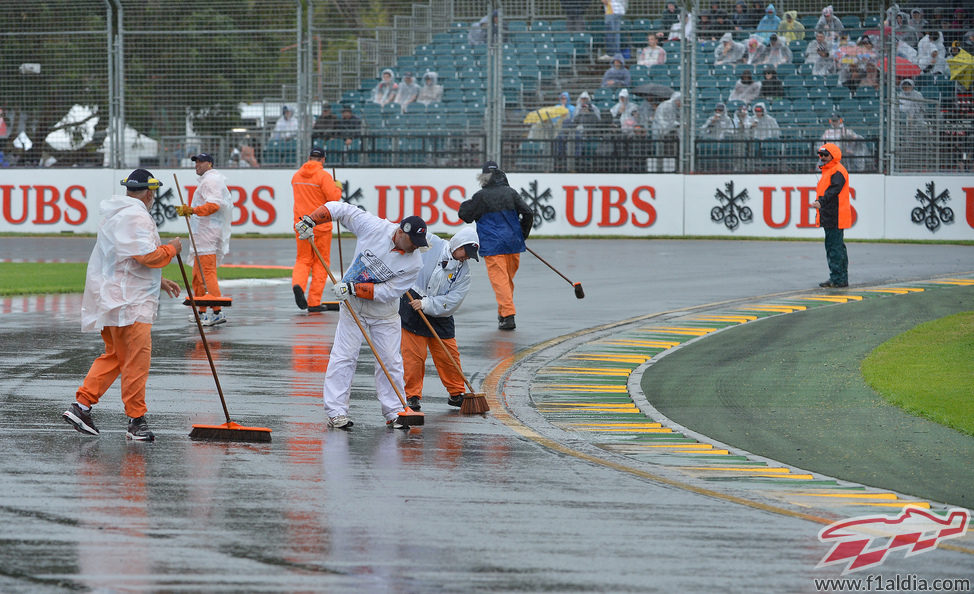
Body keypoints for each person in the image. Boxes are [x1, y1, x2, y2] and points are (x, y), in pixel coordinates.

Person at [63, 169, 182, 442]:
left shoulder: (116, 214)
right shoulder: (137, 216)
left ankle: (81, 406)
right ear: (150, 193)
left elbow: (125, 259)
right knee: (136, 362)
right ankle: (136, 421)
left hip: (115, 300)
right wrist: (173, 248)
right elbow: (145, 256)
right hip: (132, 304)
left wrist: (159, 280)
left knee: (115, 357)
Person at [293, 204, 428, 429]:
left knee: (390, 362)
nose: (415, 246)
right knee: (343, 358)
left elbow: (390, 292)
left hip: (384, 314)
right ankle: (336, 412)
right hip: (352, 307)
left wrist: (354, 289)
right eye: (412, 240)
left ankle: (395, 411)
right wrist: (311, 220)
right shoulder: (375, 228)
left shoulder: (415, 262)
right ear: (401, 232)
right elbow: (340, 209)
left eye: (419, 243)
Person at [399, 226, 480, 411]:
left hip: (440, 312)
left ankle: (456, 393)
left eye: (469, 255)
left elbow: (454, 300)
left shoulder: (464, 272)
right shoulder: (431, 242)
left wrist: (426, 304)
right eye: (465, 252)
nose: (466, 257)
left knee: (449, 356)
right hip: (412, 301)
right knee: (414, 357)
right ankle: (411, 396)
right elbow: (405, 236)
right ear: (457, 244)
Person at [457, 161, 533, 331]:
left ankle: (508, 315)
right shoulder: (511, 193)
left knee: (500, 281)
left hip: (493, 245)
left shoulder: (481, 197)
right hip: (513, 244)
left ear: (483, 177)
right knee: (506, 281)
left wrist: (467, 205)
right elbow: (528, 212)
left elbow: (465, 215)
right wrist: (522, 234)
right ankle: (503, 313)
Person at [175, 153, 232, 326]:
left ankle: (216, 311)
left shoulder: (211, 181)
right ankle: (201, 312)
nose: (197, 165)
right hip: (203, 234)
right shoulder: (209, 180)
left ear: (210, 164)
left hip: (207, 234)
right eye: (195, 162)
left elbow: (214, 205)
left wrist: (192, 210)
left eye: (201, 162)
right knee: (198, 275)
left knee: (206, 274)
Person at [291, 147, 342, 313]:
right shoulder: (324, 176)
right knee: (321, 263)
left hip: (301, 224)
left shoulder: (297, 175)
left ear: (309, 157)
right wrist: (338, 187)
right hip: (321, 225)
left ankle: (298, 284)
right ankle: (314, 302)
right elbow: (333, 199)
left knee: (303, 260)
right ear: (323, 160)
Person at [811, 143, 851, 288]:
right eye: (820, 155)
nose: (822, 158)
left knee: (835, 247)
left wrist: (820, 202)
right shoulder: (829, 171)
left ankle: (838, 279)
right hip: (831, 214)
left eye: (825, 155)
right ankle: (839, 277)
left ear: (833, 155)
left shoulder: (837, 171)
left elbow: (833, 191)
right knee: (835, 246)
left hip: (836, 215)